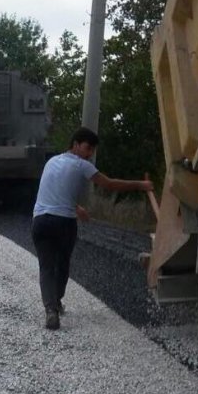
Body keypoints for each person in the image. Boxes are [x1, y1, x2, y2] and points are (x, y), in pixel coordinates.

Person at [32, 126, 153, 330]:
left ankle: (51, 309)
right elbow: (110, 184)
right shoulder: (81, 165)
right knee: (62, 264)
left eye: (92, 151)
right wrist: (141, 185)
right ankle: (57, 302)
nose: (89, 154)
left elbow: (53, 192)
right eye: (87, 148)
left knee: (46, 267)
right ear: (76, 144)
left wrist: (77, 207)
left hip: (40, 221)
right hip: (63, 223)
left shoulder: (51, 161)